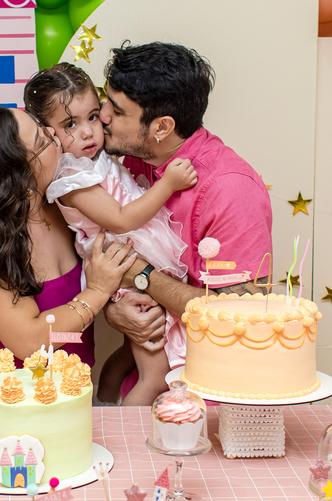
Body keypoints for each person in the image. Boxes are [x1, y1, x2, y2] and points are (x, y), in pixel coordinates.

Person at [0, 105, 136, 408]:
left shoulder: (64, 206)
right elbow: (32, 342)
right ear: (17, 173)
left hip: (62, 397)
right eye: (42, 140)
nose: (54, 135)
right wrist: (98, 291)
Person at [96, 42, 274, 403]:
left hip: (204, 404)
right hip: (137, 388)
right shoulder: (132, 157)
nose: (102, 115)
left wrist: (142, 275)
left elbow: (237, 314)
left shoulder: (230, 190)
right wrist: (113, 311)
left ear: (162, 127)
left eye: (117, 110)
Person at [24, 63, 197, 406]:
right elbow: (120, 220)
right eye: (70, 124)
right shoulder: (70, 179)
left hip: (135, 254)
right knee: (156, 376)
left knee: (130, 355)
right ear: (46, 132)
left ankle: (104, 403)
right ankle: (121, 432)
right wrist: (168, 184)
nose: (88, 132)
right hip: (123, 262)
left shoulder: (91, 159)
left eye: (93, 117)